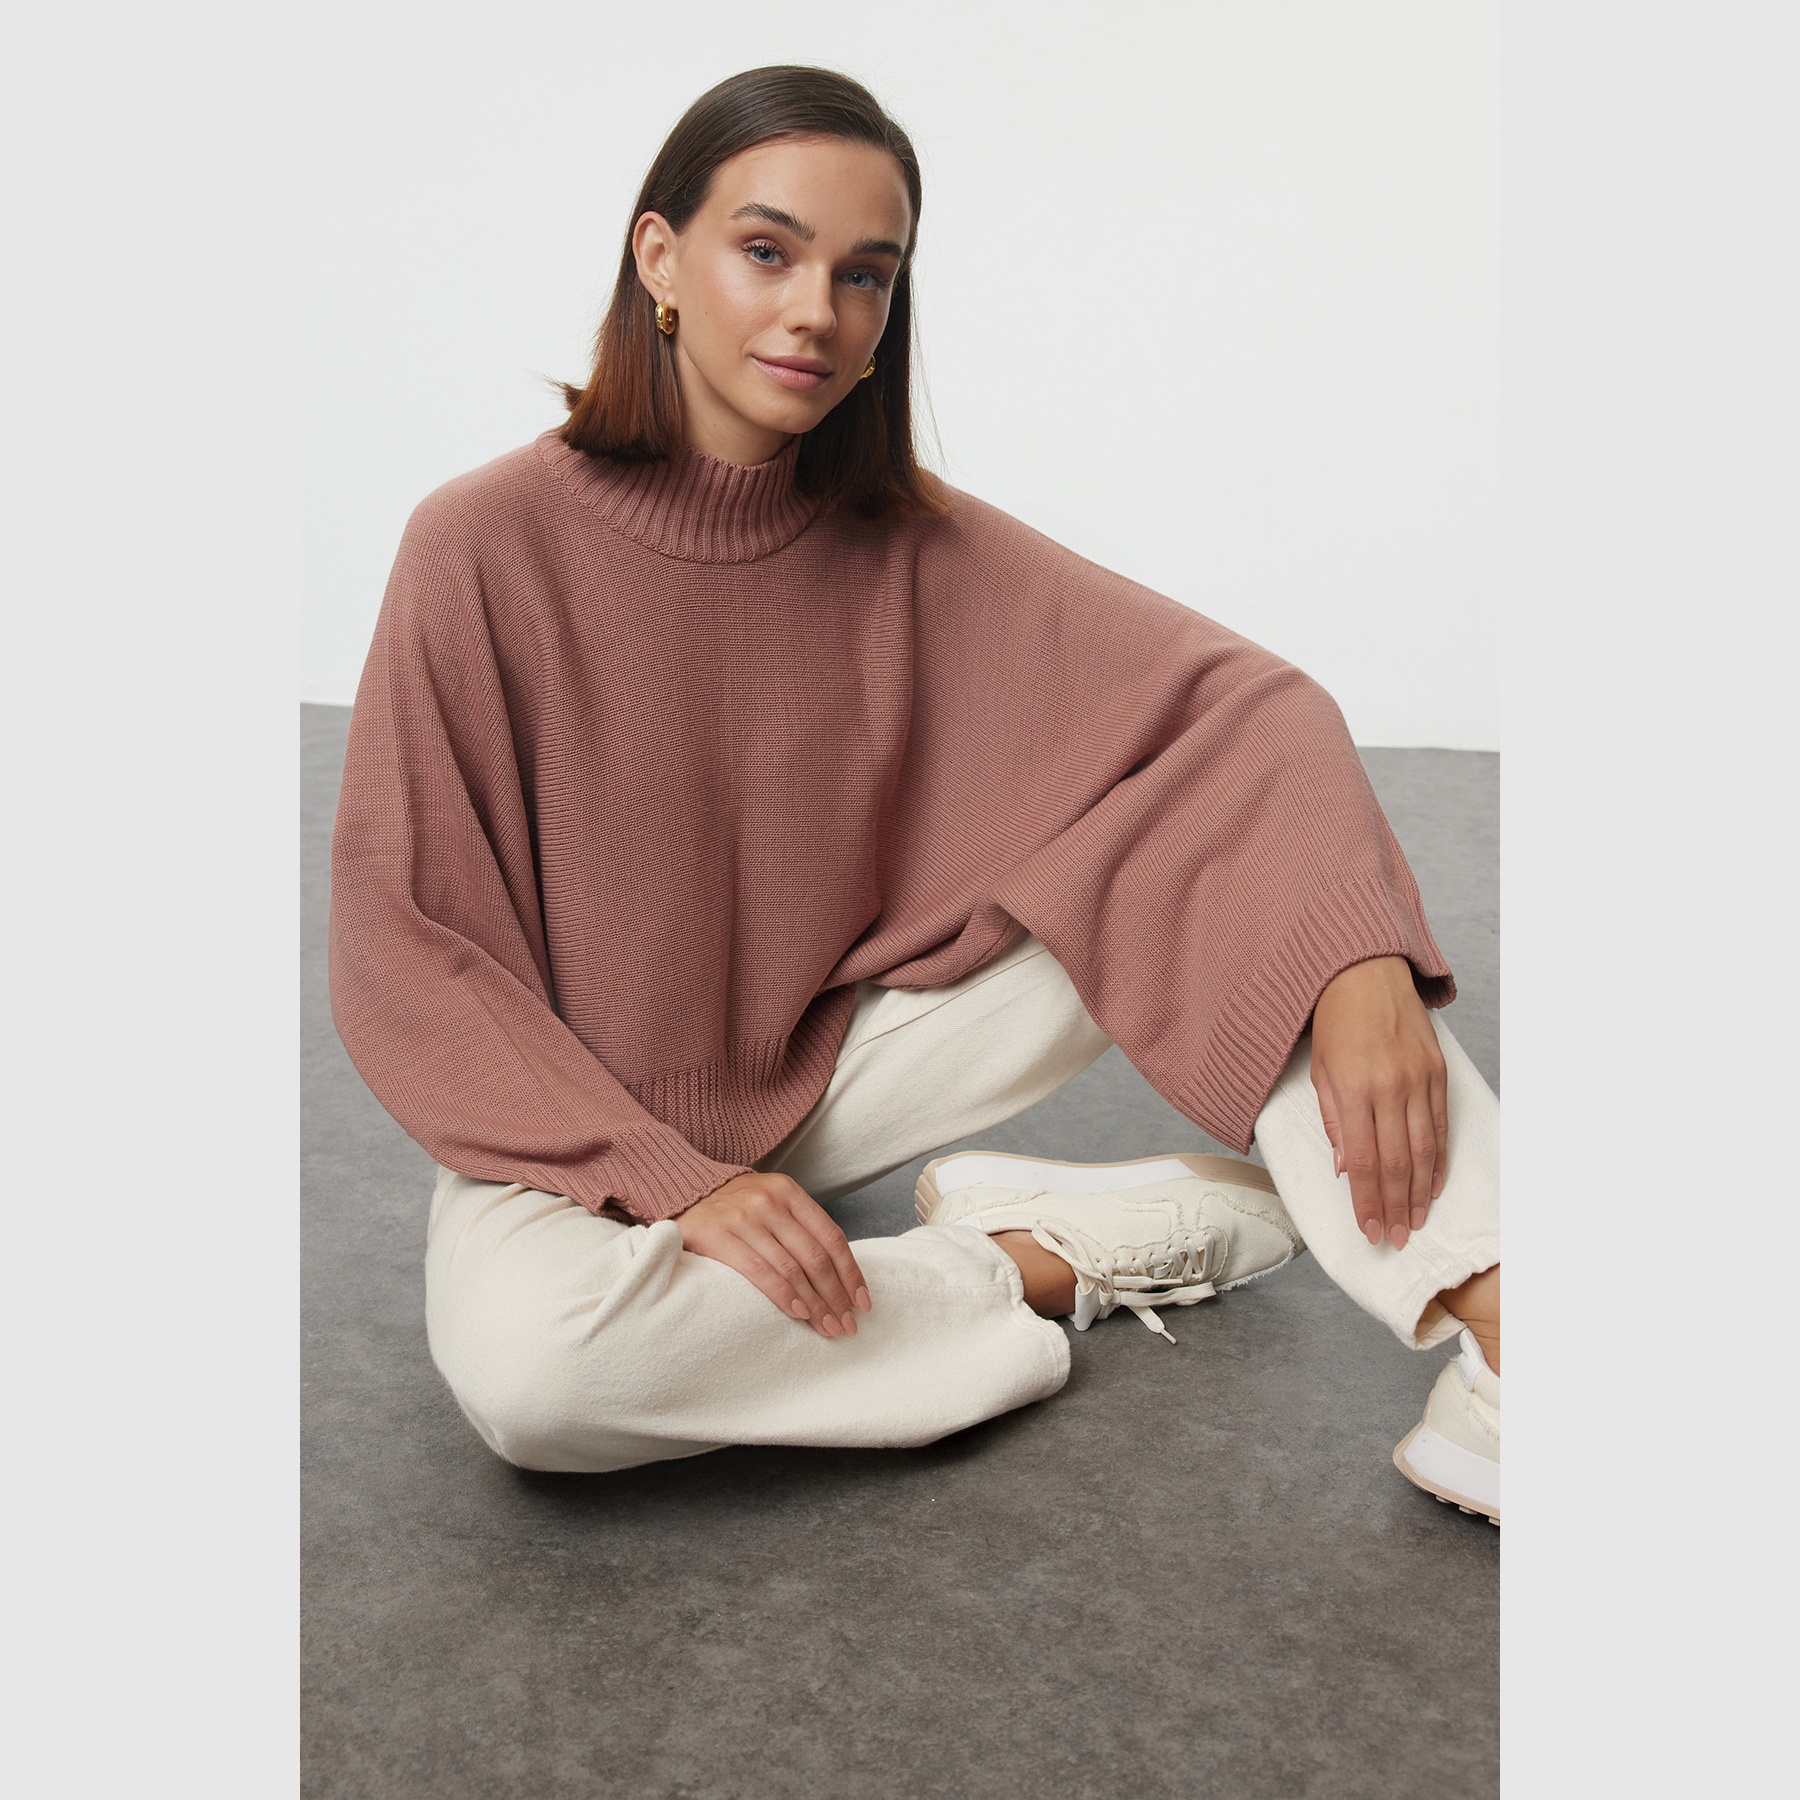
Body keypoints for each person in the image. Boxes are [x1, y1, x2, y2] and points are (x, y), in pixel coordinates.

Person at [329, 65, 1501, 1523]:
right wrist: (671, 1182)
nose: (816, 312)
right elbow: (409, 944)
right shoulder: (480, 546)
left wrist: (1358, 962)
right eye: (768, 251)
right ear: (659, 261)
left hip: (829, 1065)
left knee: (1254, 887)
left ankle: (1517, 1331)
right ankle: (1028, 1261)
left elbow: (1249, 711)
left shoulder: (908, 539)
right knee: (536, 1377)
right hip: (573, 1130)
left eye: (864, 275)